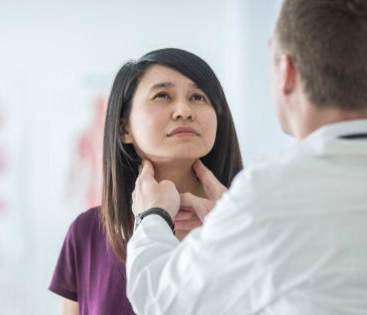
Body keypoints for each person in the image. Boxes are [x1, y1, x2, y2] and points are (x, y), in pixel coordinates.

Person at [126, 0, 367, 314]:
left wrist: (152, 215)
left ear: (287, 72)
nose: (184, 111)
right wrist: (231, 222)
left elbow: (160, 302)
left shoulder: (268, 196)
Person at [49, 48, 243, 315]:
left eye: (198, 97)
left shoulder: (247, 223)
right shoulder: (88, 233)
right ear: (124, 128)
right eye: (162, 95)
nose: (184, 110)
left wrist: (236, 229)